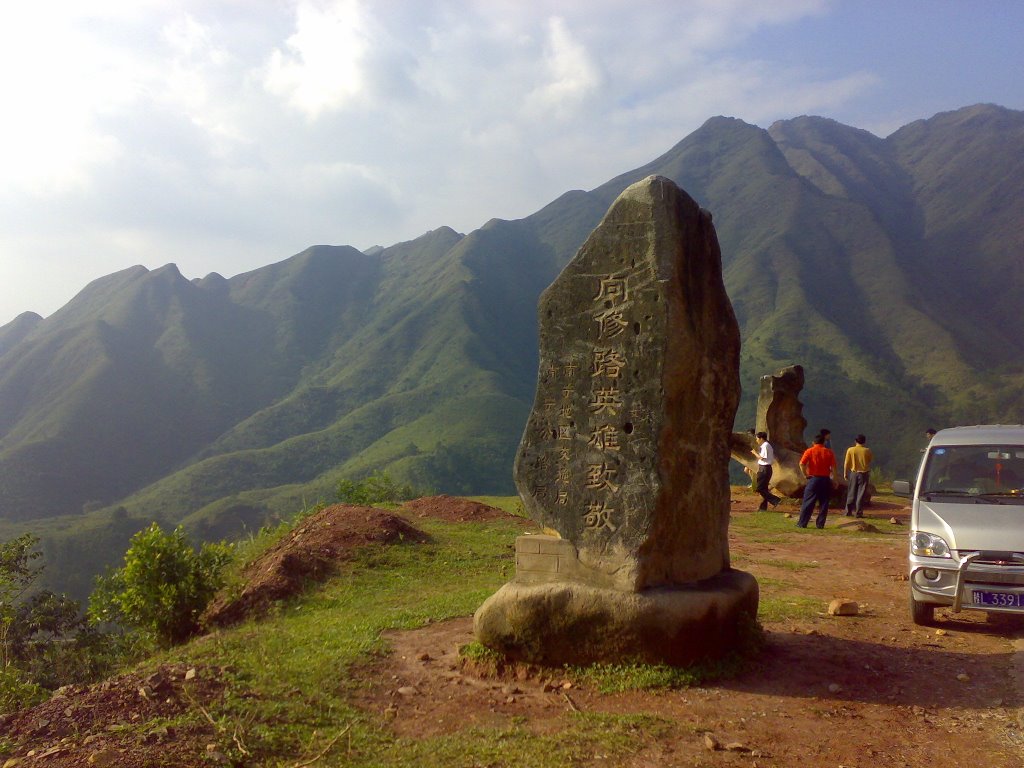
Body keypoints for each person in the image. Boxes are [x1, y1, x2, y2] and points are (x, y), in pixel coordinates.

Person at [797, 434, 837, 528]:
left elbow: (801, 464)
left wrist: (805, 475)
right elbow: (834, 468)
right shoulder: (829, 452)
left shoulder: (809, 451)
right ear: (824, 442)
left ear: (813, 442)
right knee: (824, 503)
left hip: (813, 479)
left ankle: (802, 523)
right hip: (825, 480)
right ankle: (820, 524)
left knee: (808, 502)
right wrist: (835, 480)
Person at [843, 434, 873, 517]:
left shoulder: (850, 450)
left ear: (855, 441)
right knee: (861, 494)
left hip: (853, 473)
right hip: (864, 474)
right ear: (864, 442)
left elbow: (846, 463)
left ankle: (848, 511)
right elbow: (869, 460)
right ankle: (858, 512)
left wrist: (845, 473)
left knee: (851, 492)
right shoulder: (867, 450)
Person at [751, 432, 781, 510]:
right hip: (765, 468)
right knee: (764, 489)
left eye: (757, 438)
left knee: (760, 488)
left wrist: (754, 453)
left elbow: (762, 458)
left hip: (764, 468)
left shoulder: (765, 446)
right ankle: (763, 507)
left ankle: (775, 500)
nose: (756, 440)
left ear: (761, 438)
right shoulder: (766, 445)